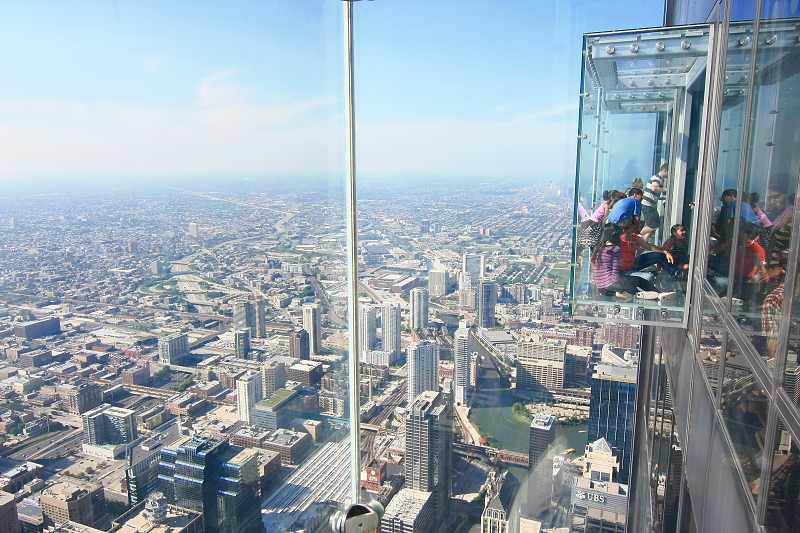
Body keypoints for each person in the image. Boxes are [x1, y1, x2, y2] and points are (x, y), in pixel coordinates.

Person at [592, 227, 656, 300]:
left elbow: (596, 267)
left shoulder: (598, 247)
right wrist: (617, 290)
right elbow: (615, 270)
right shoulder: (615, 249)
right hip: (612, 283)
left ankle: (642, 293)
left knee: (634, 283)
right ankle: (658, 293)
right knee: (638, 281)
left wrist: (598, 281)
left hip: (602, 285)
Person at [640, 163, 668, 241]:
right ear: (665, 170)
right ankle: (636, 234)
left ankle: (645, 238)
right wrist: (666, 190)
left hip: (650, 205)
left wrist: (664, 197)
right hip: (648, 206)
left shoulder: (660, 179)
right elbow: (654, 188)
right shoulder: (657, 178)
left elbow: (653, 194)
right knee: (652, 226)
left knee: (656, 224)